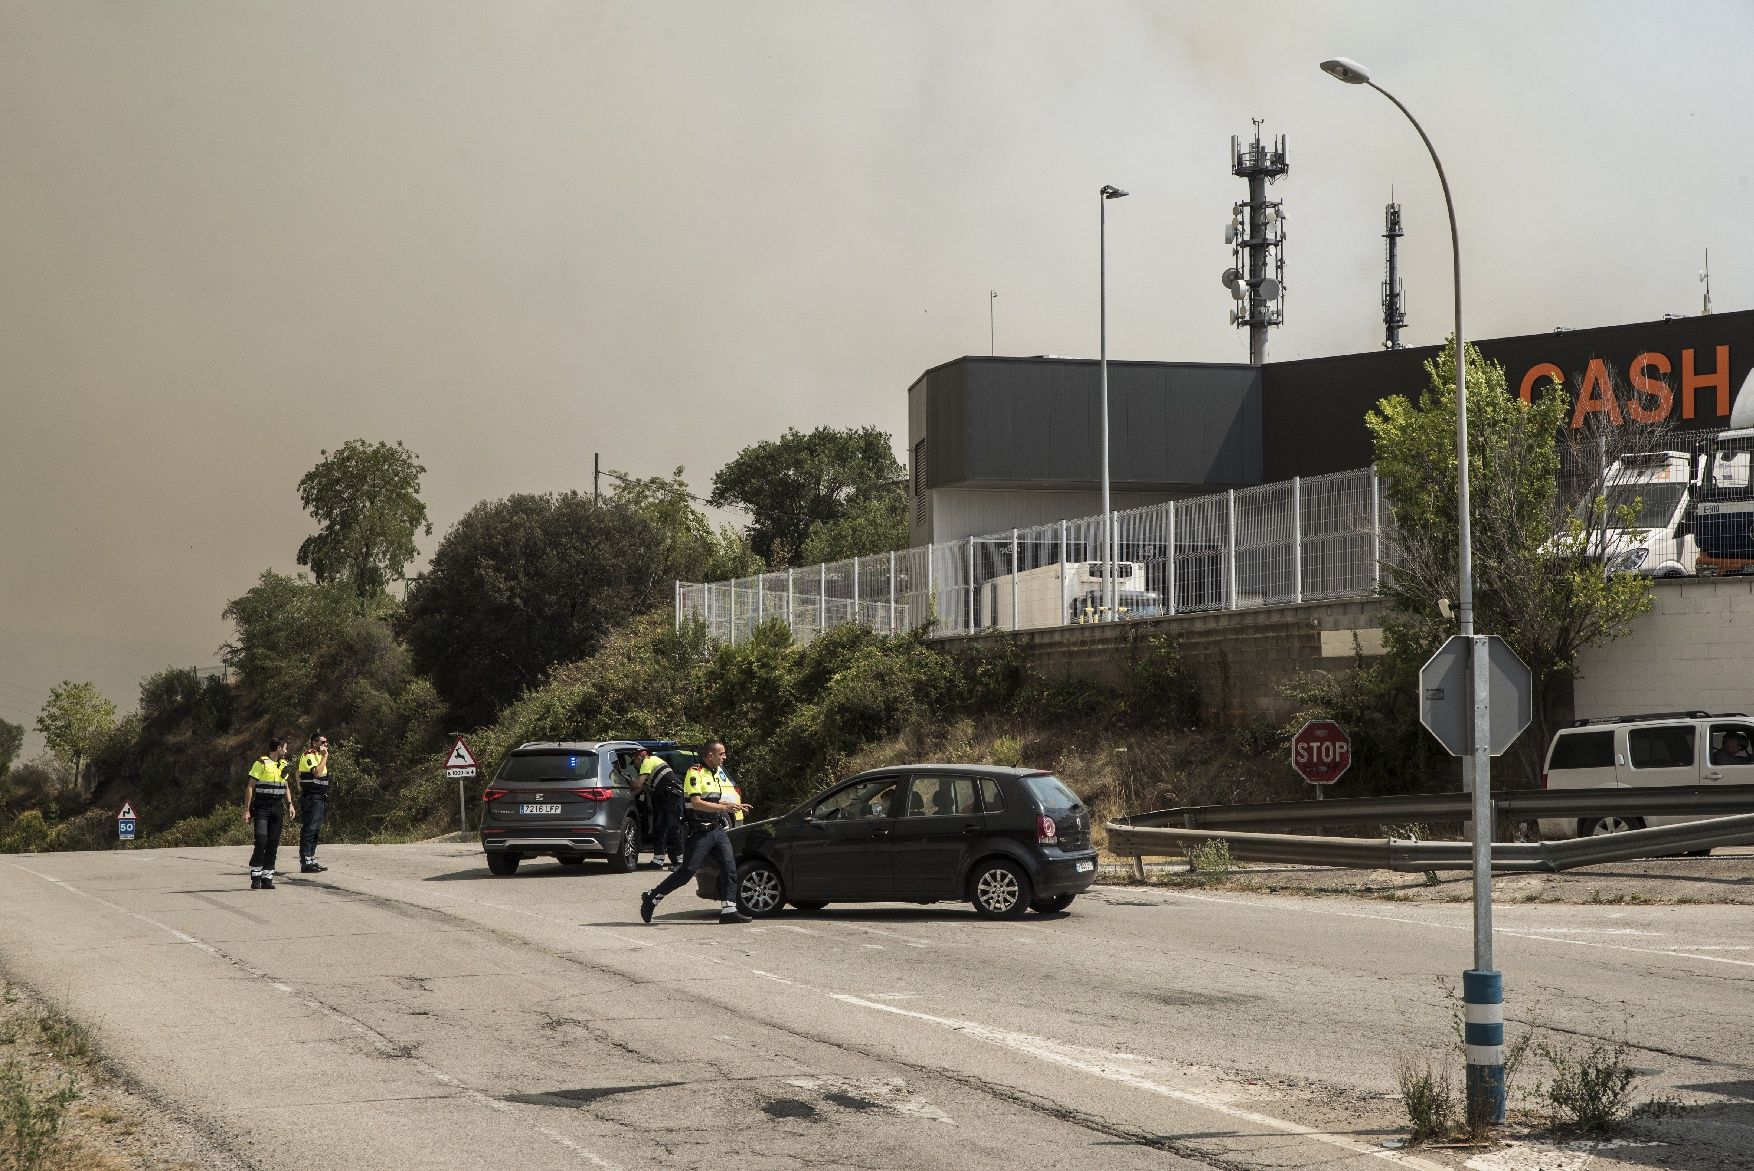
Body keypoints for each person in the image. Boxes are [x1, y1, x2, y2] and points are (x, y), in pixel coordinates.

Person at [638, 740, 752, 925]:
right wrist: (724, 807)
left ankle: (729, 910)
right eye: (721, 754)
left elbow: (713, 801)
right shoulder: (695, 772)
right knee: (686, 872)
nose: (725, 757)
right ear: (710, 756)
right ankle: (652, 897)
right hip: (700, 832)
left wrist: (732, 805)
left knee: (729, 868)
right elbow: (697, 803)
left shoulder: (715, 773)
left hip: (717, 829)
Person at [244, 737, 294, 889]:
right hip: (261, 807)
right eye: (285, 748)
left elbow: (285, 786)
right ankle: (256, 876)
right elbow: (250, 786)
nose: (286, 751)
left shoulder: (284, 764)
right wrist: (246, 809)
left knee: (273, 843)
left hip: (277, 807)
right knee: (261, 840)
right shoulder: (260, 763)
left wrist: (290, 804)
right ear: (278, 748)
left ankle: (267, 877)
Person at [639, 748, 685, 868]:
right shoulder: (653, 764)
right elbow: (642, 788)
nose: (635, 765)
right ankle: (658, 860)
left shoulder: (647, 761)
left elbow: (638, 784)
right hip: (665, 798)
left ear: (639, 757)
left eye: (634, 762)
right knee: (660, 828)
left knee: (673, 828)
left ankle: (681, 861)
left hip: (673, 796)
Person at [294, 732, 331, 873]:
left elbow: (297, 772)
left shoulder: (318, 756)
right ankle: (305, 862)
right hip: (311, 798)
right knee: (309, 829)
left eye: (326, 742)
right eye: (323, 742)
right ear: (314, 743)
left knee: (316, 830)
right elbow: (316, 773)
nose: (325, 745)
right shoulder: (309, 754)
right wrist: (325, 756)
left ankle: (311, 858)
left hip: (320, 797)